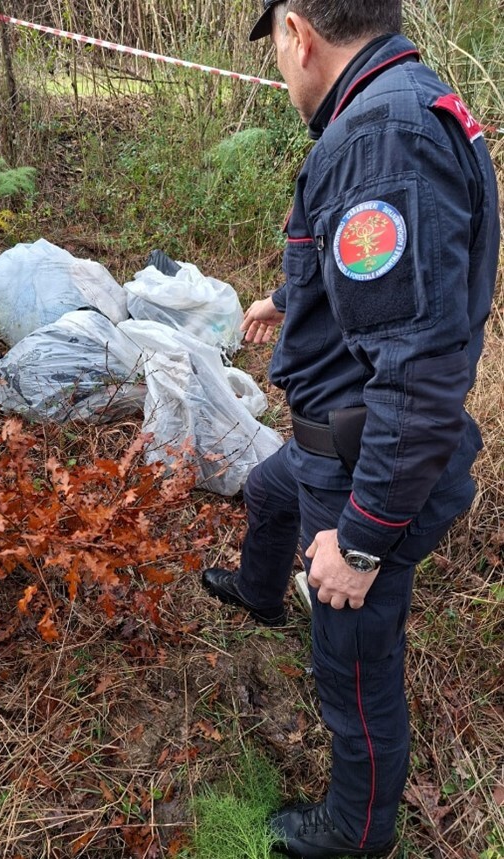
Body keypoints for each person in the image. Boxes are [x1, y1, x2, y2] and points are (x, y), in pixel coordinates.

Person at [201, 0, 500, 856]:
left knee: (354, 663)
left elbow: (417, 370)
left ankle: (355, 830)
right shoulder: (399, 102)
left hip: (366, 461)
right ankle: (260, 594)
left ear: (297, 32)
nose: (280, 67)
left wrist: (361, 542)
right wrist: (289, 298)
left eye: (278, 50)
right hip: (326, 439)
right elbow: (390, 275)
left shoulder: (381, 138)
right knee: (266, 488)